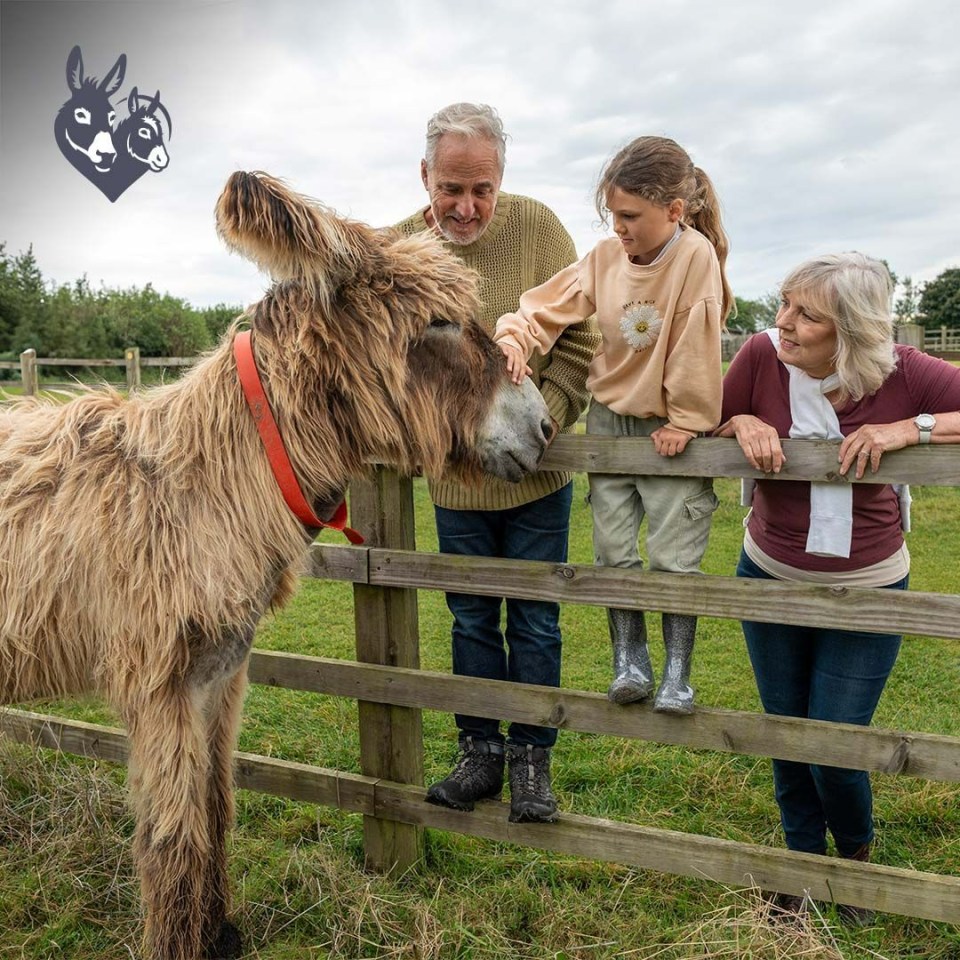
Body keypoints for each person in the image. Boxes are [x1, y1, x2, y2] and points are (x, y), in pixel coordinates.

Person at [715, 252, 960, 923]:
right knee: (789, 731)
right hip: (769, 575)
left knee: (835, 738)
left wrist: (913, 427)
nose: (783, 322)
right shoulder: (761, 356)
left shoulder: (903, 373)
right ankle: (797, 874)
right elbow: (708, 415)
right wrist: (742, 423)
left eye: (806, 314)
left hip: (870, 586)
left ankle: (851, 862)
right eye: (786, 303)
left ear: (850, 330)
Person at [394, 103, 599, 823]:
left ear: (501, 179)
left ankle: (531, 760)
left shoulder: (539, 228)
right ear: (425, 177)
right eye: (451, 187)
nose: (467, 205)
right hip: (458, 486)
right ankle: (479, 751)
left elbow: (582, 339)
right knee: (472, 617)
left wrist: (542, 415)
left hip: (539, 477)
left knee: (537, 619)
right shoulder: (398, 254)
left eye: (482, 188)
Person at [495, 135, 733, 715]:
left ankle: (678, 672)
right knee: (612, 547)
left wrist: (687, 418)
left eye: (631, 216)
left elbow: (696, 344)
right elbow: (544, 308)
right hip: (608, 422)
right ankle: (630, 659)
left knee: (675, 550)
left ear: (674, 211)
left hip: (669, 428)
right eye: (613, 215)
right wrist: (513, 339)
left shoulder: (693, 256)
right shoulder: (604, 258)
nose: (619, 228)